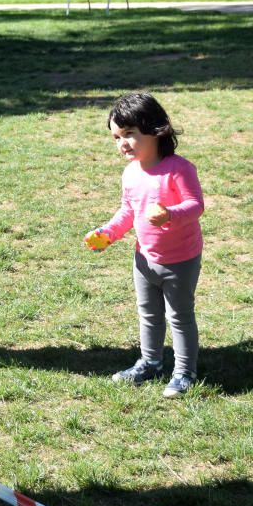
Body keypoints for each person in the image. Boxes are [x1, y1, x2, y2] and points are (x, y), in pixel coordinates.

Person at [83, 93, 205, 399]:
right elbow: (128, 211)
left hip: (179, 260)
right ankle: (150, 362)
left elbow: (195, 206)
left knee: (179, 316)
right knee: (148, 313)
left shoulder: (179, 169)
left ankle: (184, 372)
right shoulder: (131, 173)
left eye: (129, 134)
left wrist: (169, 214)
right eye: (116, 137)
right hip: (144, 258)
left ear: (155, 130)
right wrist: (108, 233)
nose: (122, 143)